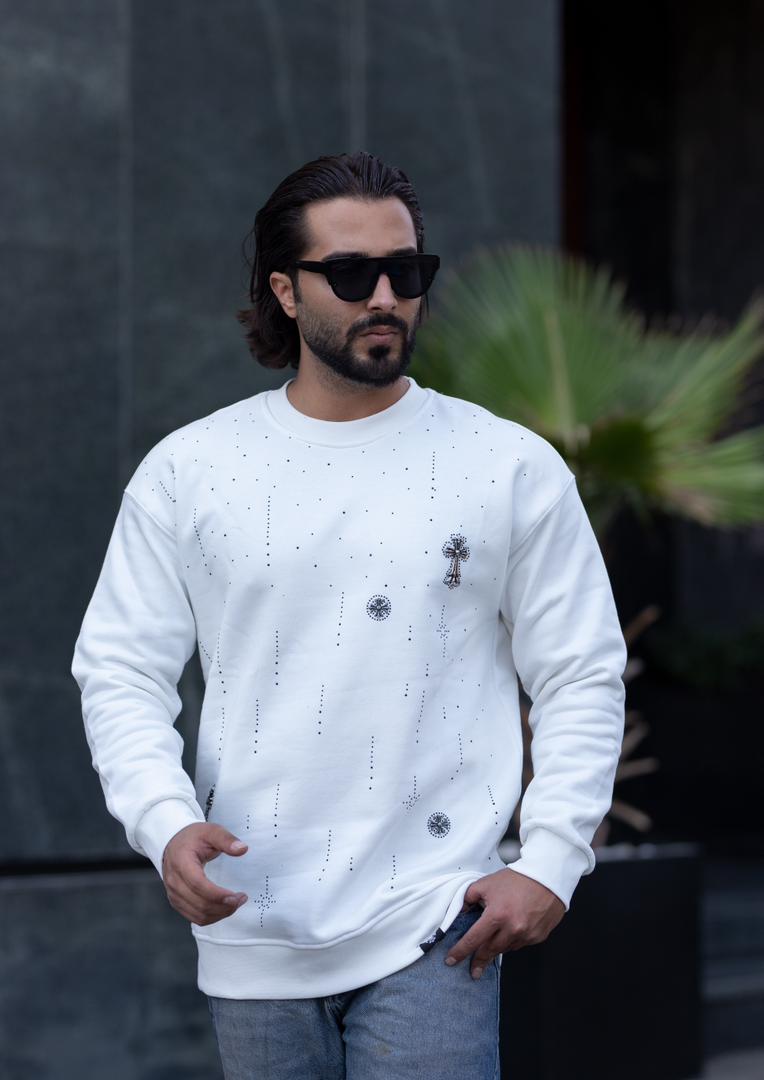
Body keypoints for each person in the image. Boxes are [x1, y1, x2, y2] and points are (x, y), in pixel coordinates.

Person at [71, 149, 627, 1079]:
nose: (385, 297)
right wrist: (162, 821)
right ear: (285, 291)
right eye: (351, 273)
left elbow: (581, 671)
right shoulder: (191, 471)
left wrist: (551, 861)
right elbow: (120, 669)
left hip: (439, 918)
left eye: (406, 272)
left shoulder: (508, 466)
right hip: (253, 921)